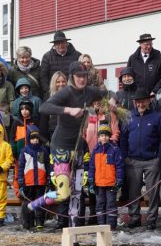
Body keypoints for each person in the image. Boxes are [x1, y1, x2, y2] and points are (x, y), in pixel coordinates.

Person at [40, 64, 112, 233]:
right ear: (72, 76)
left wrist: (112, 100)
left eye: (84, 75)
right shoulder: (66, 92)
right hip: (61, 148)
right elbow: (43, 108)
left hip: (78, 147)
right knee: (63, 193)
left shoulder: (89, 91)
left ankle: (72, 233)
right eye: (78, 76)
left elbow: (108, 93)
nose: (82, 79)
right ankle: (36, 203)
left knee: (76, 194)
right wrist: (68, 110)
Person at [120, 89, 161, 229]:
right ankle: (134, 218)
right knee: (133, 191)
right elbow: (123, 138)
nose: (141, 104)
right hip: (133, 161)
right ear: (134, 102)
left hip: (152, 160)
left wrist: (159, 158)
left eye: (143, 101)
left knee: (153, 192)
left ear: (149, 101)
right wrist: (125, 156)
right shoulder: (128, 116)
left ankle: (151, 219)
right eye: (138, 102)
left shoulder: (157, 117)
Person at [88, 122, 124, 229]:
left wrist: (119, 179)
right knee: (100, 204)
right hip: (98, 183)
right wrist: (91, 180)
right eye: (102, 135)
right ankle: (101, 225)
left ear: (110, 136)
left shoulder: (115, 149)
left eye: (106, 135)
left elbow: (119, 166)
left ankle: (111, 225)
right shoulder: (95, 150)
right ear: (99, 137)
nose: (104, 138)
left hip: (111, 183)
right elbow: (91, 166)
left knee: (111, 204)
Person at [16, 127, 50, 231]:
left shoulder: (43, 150)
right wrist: (20, 180)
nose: (35, 140)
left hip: (40, 181)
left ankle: (40, 221)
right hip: (28, 181)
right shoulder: (24, 151)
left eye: (37, 138)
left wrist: (48, 176)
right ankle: (28, 222)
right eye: (33, 138)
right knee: (28, 202)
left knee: (40, 202)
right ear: (29, 139)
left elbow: (47, 165)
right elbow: (21, 167)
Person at [38, 31, 81, 98]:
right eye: (58, 43)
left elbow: (80, 74)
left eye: (62, 42)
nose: (60, 45)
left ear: (66, 43)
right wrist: (49, 92)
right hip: (53, 94)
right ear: (54, 45)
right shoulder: (47, 57)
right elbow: (43, 77)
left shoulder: (77, 55)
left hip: (73, 94)